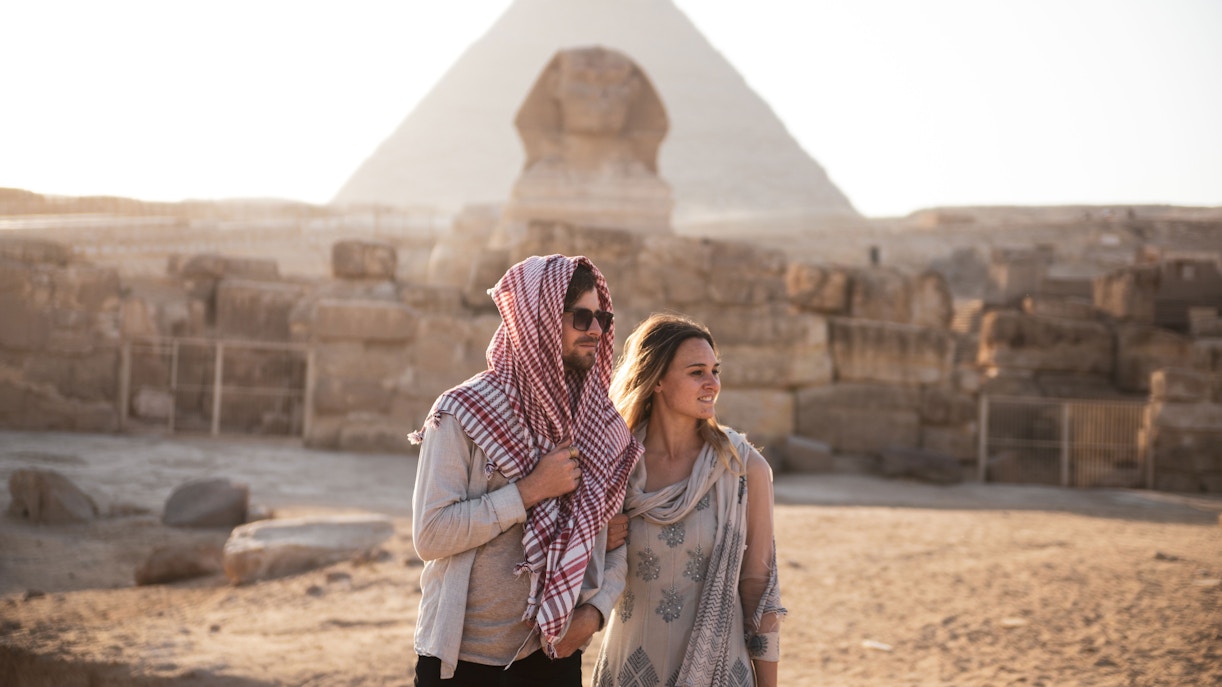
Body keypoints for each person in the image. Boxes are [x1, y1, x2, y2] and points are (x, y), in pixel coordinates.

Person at [408, 255, 643, 686]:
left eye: (602, 318)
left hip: (552, 654)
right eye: (581, 317)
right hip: (461, 662)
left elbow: (619, 538)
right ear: (538, 320)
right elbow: (431, 534)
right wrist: (529, 491)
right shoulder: (463, 412)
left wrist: (593, 614)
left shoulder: (597, 423)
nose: (596, 330)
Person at [592, 313, 785, 687]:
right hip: (628, 671)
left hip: (720, 672)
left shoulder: (743, 469)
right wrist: (598, 539)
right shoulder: (617, 465)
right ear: (658, 380)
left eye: (716, 371)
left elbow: (760, 589)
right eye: (697, 372)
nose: (712, 383)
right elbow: (578, 570)